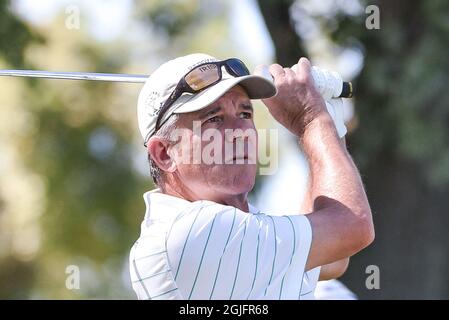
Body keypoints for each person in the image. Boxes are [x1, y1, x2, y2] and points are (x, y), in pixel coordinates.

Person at [129, 53, 374, 300]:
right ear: (164, 153)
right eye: (214, 119)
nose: (241, 132)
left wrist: (329, 122)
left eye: (245, 114)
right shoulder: (193, 231)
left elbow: (333, 256)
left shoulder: (232, 226)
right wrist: (311, 119)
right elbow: (352, 227)